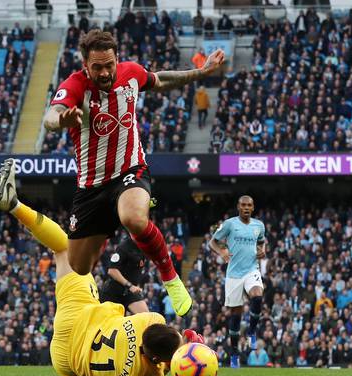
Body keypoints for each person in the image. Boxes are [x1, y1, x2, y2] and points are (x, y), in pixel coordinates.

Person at [40, 29, 225, 317]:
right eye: (97, 67)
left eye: (109, 65)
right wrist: (61, 119)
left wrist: (199, 72)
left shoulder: (131, 73)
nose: (104, 72)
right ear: (85, 64)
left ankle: (170, 277)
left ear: (117, 59)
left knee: (134, 218)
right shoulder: (75, 85)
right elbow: (52, 116)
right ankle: (107, 224)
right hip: (92, 186)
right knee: (79, 266)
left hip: (130, 170)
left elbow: (161, 79)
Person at [0, 158, 203, 376]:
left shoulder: (150, 320)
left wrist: (185, 340)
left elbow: (159, 340)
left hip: (79, 318)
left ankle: (14, 205)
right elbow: (161, 364)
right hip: (66, 362)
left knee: (63, 248)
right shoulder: (145, 375)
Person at [209, 195, 266, 368]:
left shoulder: (259, 226)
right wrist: (222, 253)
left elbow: (261, 243)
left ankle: (251, 330)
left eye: (249, 205)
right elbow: (213, 242)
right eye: (243, 205)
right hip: (234, 274)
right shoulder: (229, 224)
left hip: (251, 270)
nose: (246, 208)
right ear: (238, 207)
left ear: (253, 207)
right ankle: (234, 351)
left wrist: (261, 250)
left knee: (257, 296)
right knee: (236, 315)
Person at [100, 237, 149, 314]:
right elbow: (112, 270)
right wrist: (130, 285)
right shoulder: (124, 247)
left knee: (147, 319)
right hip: (113, 292)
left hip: (129, 292)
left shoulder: (144, 245)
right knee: (112, 323)